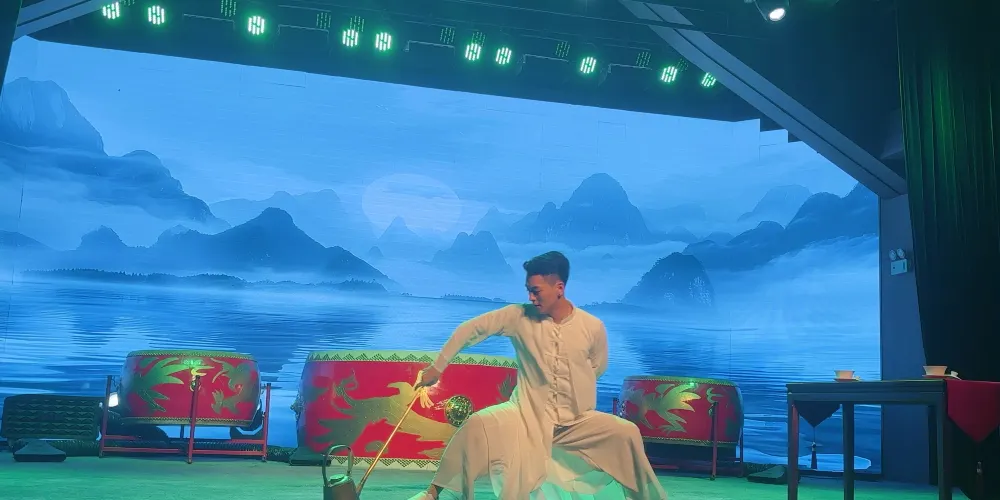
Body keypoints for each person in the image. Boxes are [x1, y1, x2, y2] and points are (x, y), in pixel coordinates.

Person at [408, 251, 667, 500]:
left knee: (626, 433)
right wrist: (437, 367)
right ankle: (434, 493)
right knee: (477, 426)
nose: (531, 297)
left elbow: (598, 367)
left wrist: (572, 396)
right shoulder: (518, 316)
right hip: (524, 415)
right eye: (528, 290)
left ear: (559, 288)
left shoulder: (592, 327)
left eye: (536, 291)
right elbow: (470, 329)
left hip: (575, 423)